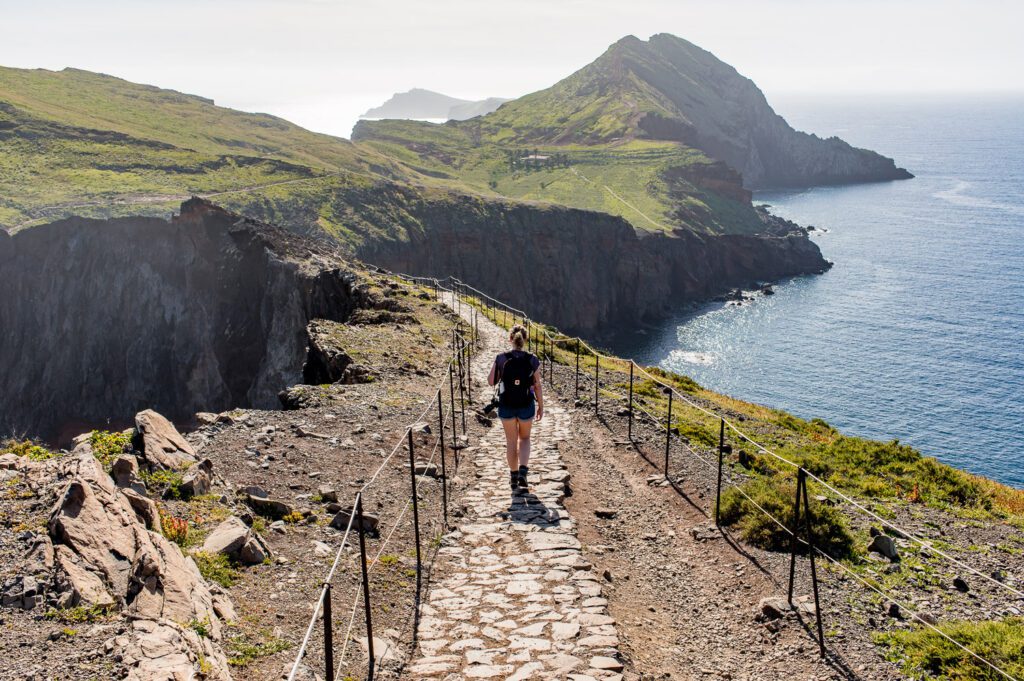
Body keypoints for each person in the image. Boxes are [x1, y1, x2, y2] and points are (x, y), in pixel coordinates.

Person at [488, 324, 544, 492]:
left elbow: (491, 381)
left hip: (506, 405)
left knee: (511, 441)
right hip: (526, 404)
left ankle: (513, 477)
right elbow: (538, 385)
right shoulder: (532, 359)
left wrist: (496, 365)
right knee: (525, 439)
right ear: (525, 339)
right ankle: (523, 472)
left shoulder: (501, 358)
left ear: (510, 339)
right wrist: (541, 406)